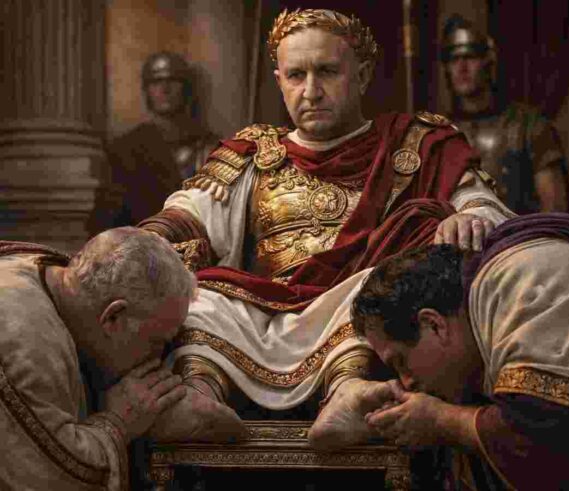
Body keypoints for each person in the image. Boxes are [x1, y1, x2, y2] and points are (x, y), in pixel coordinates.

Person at [140, 8, 515, 450]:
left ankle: (349, 391)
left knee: (376, 290)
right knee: (200, 299)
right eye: (296, 75)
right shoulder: (252, 153)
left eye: (327, 72)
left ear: (363, 75)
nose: (311, 91)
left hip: (358, 297)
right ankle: (200, 393)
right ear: (279, 80)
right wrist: (150, 239)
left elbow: (480, 204)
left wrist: (467, 215)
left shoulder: (416, 144)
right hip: (263, 308)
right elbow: (190, 214)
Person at [352, 213, 569, 490]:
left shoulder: (519, 282)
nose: (407, 382)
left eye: (401, 362)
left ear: (434, 324)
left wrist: (443, 420)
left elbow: (562, 447)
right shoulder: (484, 309)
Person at [0, 228, 215, 490]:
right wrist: (118, 423)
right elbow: (53, 477)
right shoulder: (25, 343)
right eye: (156, 342)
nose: (157, 359)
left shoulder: (41, 270)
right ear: (113, 317)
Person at [442, 15, 569, 214]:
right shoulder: (443, 132)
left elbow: (554, 209)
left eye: (470, 57)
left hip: (520, 232)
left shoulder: (528, 125)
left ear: (488, 61)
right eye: (454, 59)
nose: (462, 68)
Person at [89, 51, 217, 233]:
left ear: (185, 89)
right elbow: (106, 220)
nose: (165, 89)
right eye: (156, 82)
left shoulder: (210, 146)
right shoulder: (124, 149)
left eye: (173, 81)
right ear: (146, 90)